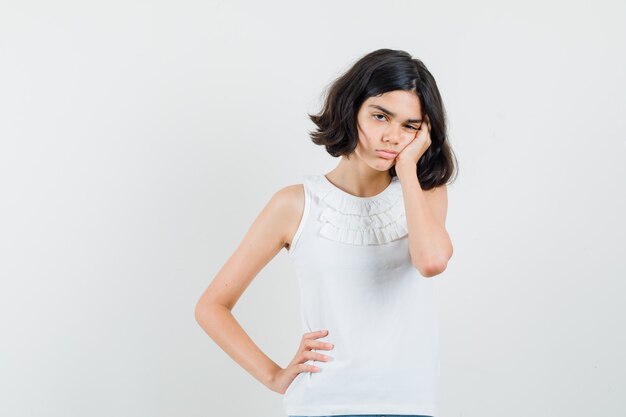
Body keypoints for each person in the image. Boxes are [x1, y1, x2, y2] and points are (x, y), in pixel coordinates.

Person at [194, 48, 458, 417]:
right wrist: (274, 376)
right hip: (323, 404)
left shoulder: (424, 194)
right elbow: (211, 307)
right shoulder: (295, 203)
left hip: (409, 402)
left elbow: (430, 261)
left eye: (410, 126)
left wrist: (410, 170)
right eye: (380, 116)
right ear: (352, 109)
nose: (393, 136)